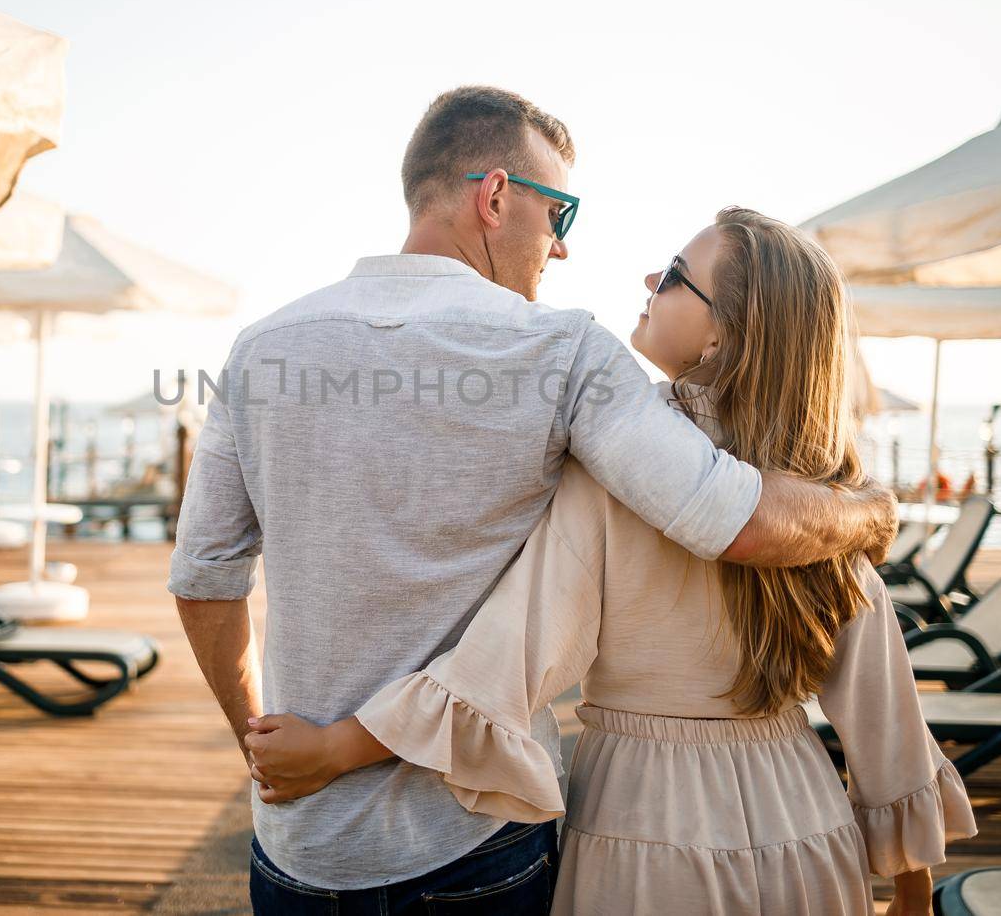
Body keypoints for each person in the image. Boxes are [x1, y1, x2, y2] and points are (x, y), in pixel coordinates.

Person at [168, 86, 899, 914]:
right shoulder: (561, 350)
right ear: (495, 197)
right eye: (561, 216)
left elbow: (204, 579)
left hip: (299, 840)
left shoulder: (263, 349)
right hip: (477, 836)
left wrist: (260, 745)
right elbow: (730, 515)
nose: (560, 251)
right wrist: (873, 510)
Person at [245, 208, 976, 915]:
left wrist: (338, 746)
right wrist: (912, 891)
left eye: (677, 277)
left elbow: (504, 662)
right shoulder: (826, 499)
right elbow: (886, 716)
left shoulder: (616, 475)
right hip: (806, 829)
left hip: (646, 833)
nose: (651, 275)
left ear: (723, 335)